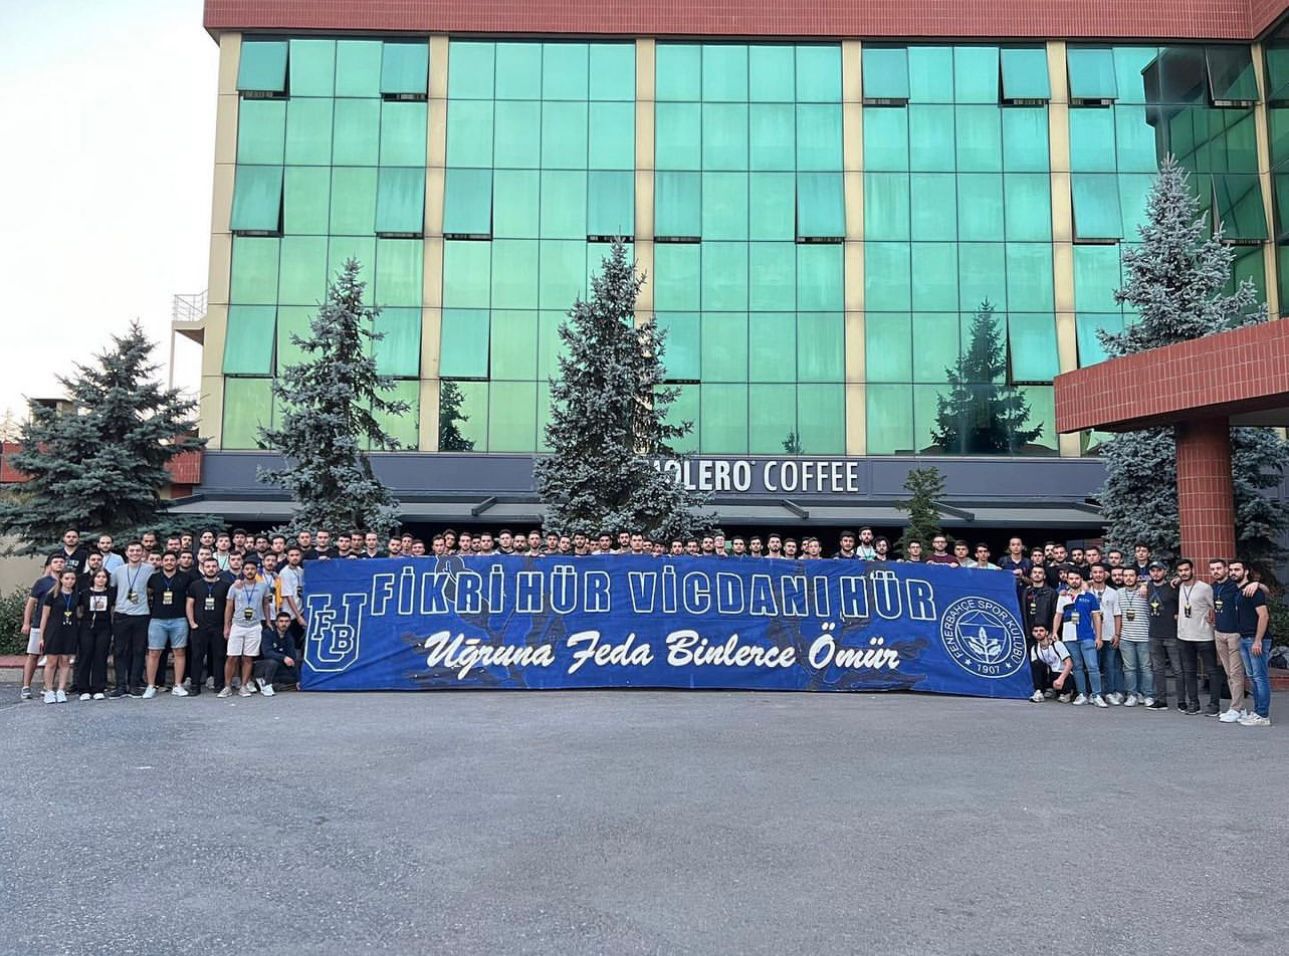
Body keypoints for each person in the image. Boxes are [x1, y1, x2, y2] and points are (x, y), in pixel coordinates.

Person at [1053, 568, 1106, 706]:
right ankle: (1082, 694)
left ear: (1081, 580)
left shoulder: (1089, 597)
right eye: (1071, 579)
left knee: (1093, 667)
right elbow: (1058, 615)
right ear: (1067, 580)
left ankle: (1097, 695)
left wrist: (1098, 637)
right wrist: (1054, 632)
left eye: (1077, 578)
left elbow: (1096, 617)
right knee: (1077, 667)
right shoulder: (1063, 596)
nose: (1074, 581)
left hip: (1087, 636)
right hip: (1069, 637)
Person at [221, 557, 272, 698]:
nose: (250, 571)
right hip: (237, 625)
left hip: (254, 626)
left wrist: (268, 621)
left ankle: (244, 686)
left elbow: (266, 604)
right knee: (232, 657)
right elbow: (229, 607)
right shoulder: (235, 586)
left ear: (256, 571)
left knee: (248, 658)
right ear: (242, 571)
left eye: (252, 569)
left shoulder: (263, 587)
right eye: (247, 569)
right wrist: (227, 626)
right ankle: (227, 686)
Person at [1175, 558, 1220, 717]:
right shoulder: (1179, 586)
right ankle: (1193, 703)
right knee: (1189, 671)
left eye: (1186, 570)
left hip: (1204, 636)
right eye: (1180, 571)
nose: (1183, 573)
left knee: (1211, 671)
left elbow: (1216, 607)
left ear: (1192, 570)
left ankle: (1214, 704)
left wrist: (1213, 618)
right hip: (1184, 636)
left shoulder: (1205, 588)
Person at [1229, 560, 1271, 727]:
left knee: (1260, 677)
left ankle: (1263, 715)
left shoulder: (1254, 591)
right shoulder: (1240, 591)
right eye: (1231, 570)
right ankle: (1257, 712)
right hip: (1244, 638)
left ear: (1245, 571)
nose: (1233, 572)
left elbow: (1264, 616)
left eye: (1237, 569)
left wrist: (1258, 640)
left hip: (1256, 640)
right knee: (1253, 677)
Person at [143, 552, 189, 698]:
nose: (169, 562)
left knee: (179, 652)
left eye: (172, 560)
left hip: (179, 619)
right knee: (153, 653)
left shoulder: (185, 578)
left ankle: (178, 685)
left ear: (177, 562)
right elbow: (147, 594)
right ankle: (151, 685)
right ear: (162, 562)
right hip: (157, 620)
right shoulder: (154, 578)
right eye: (166, 560)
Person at [109, 542, 152, 699]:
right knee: (119, 651)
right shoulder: (118, 571)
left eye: (138, 550)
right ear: (126, 553)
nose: (135, 553)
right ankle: (120, 685)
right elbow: (112, 588)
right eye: (132, 550)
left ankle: (134, 685)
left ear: (143, 553)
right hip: (122, 614)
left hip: (142, 614)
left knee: (139, 650)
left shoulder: (150, 569)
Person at [19, 555, 64, 700]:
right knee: (33, 655)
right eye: (56, 562)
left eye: (62, 562)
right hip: (39, 624)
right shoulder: (42, 583)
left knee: (54, 657)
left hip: (57, 626)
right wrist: (27, 622)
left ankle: (47, 686)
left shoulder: (67, 581)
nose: (59, 564)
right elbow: (31, 603)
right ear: (50, 565)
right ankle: (26, 686)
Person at [187, 557, 230, 697]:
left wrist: (227, 626)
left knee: (219, 656)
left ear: (218, 568)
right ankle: (195, 685)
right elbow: (189, 604)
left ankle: (219, 685)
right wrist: (192, 623)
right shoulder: (195, 585)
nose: (211, 569)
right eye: (208, 566)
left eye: (213, 566)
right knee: (197, 656)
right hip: (199, 627)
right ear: (203, 568)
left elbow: (229, 607)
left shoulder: (225, 585)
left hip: (218, 626)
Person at [1143, 561, 1183, 712]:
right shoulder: (1148, 586)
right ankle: (1161, 700)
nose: (1155, 573)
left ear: (1165, 572)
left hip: (1171, 634)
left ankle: (1182, 701)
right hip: (1154, 634)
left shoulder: (1173, 587)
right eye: (1153, 570)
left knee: (1177, 669)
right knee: (1158, 669)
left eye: (1159, 570)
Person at [37, 569, 82, 703]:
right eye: (67, 578)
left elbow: (79, 613)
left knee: (65, 661)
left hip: (70, 631)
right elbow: (44, 616)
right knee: (51, 662)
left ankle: (61, 690)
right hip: (54, 631)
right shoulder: (52, 595)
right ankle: (49, 690)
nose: (69, 581)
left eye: (72, 579)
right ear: (61, 579)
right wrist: (41, 636)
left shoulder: (76, 595)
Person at [1209, 558, 1245, 723]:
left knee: (1236, 673)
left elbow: (1260, 589)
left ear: (1225, 569)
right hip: (1219, 632)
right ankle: (1239, 708)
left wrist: (1257, 584)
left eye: (1218, 568)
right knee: (1229, 672)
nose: (1215, 571)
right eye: (1212, 569)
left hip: (1234, 634)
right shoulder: (1213, 587)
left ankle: (1235, 708)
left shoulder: (1235, 585)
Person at [1116, 567, 1153, 706]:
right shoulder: (1118, 593)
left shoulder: (1145, 591)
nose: (1128, 578)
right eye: (1125, 575)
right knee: (1129, 669)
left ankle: (1148, 695)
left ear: (1137, 577)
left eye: (1131, 575)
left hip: (1144, 636)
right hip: (1126, 637)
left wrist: (1145, 585)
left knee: (1146, 668)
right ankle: (1132, 694)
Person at [75, 568, 113, 700]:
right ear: (93, 578)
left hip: (104, 627)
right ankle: (83, 688)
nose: (101, 579)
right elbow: (78, 608)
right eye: (98, 577)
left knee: (100, 656)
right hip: (87, 627)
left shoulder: (110, 593)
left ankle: (98, 688)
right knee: (85, 655)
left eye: (104, 577)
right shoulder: (85, 593)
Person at [1088, 564, 1123, 704]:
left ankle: (1109, 692)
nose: (1098, 575)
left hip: (1109, 634)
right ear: (1091, 574)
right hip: (1092, 635)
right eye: (1095, 572)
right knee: (1093, 666)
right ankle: (1094, 693)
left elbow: (1117, 614)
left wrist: (1117, 634)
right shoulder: (1086, 592)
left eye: (1100, 572)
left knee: (1110, 666)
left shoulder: (1113, 593)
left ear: (1105, 574)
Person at [253, 612, 300, 695]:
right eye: (281, 621)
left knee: (294, 672)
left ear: (290, 623)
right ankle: (266, 685)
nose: (284, 624)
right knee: (272, 663)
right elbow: (267, 653)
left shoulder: (289, 636)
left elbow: (292, 657)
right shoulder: (268, 633)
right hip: (262, 664)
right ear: (276, 623)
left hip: (279, 666)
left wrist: (298, 680)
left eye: (286, 621)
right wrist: (284, 657)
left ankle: (275, 684)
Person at [1028, 624, 1074, 703]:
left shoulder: (1057, 644)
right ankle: (1039, 692)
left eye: (1041, 631)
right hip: (1050, 674)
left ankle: (1066, 693)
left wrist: (1061, 679)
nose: (1038, 633)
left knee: (1058, 674)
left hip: (1063, 674)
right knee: (1036, 664)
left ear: (1046, 632)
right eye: (1035, 631)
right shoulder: (1034, 648)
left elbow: (1069, 664)